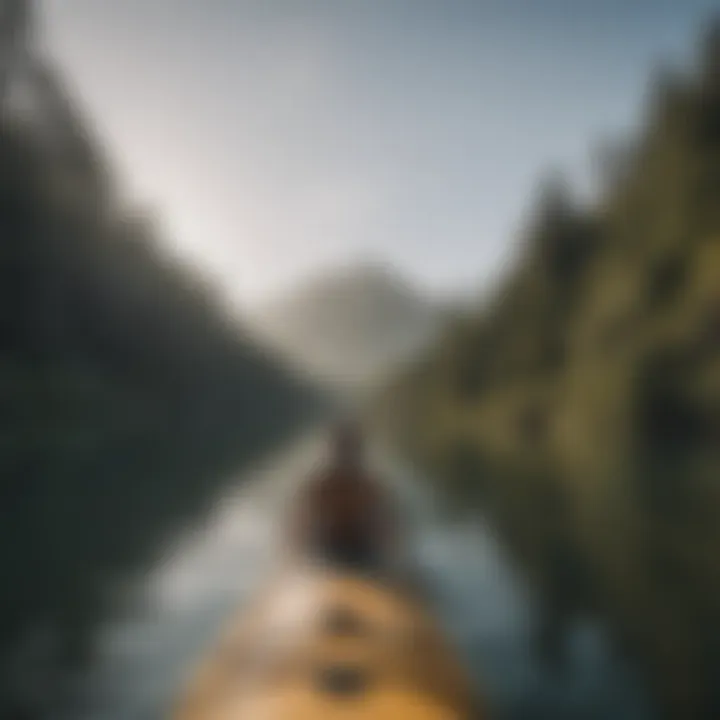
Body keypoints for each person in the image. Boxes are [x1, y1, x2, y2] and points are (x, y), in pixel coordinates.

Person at [288, 421, 398, 575]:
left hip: (363, 555)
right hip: (326, 555)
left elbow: (388, 527)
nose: (347, 453)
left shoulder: (369, 488)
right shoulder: (322, 486)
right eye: (344, 447)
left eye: (350, 447)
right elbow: (300, 525)